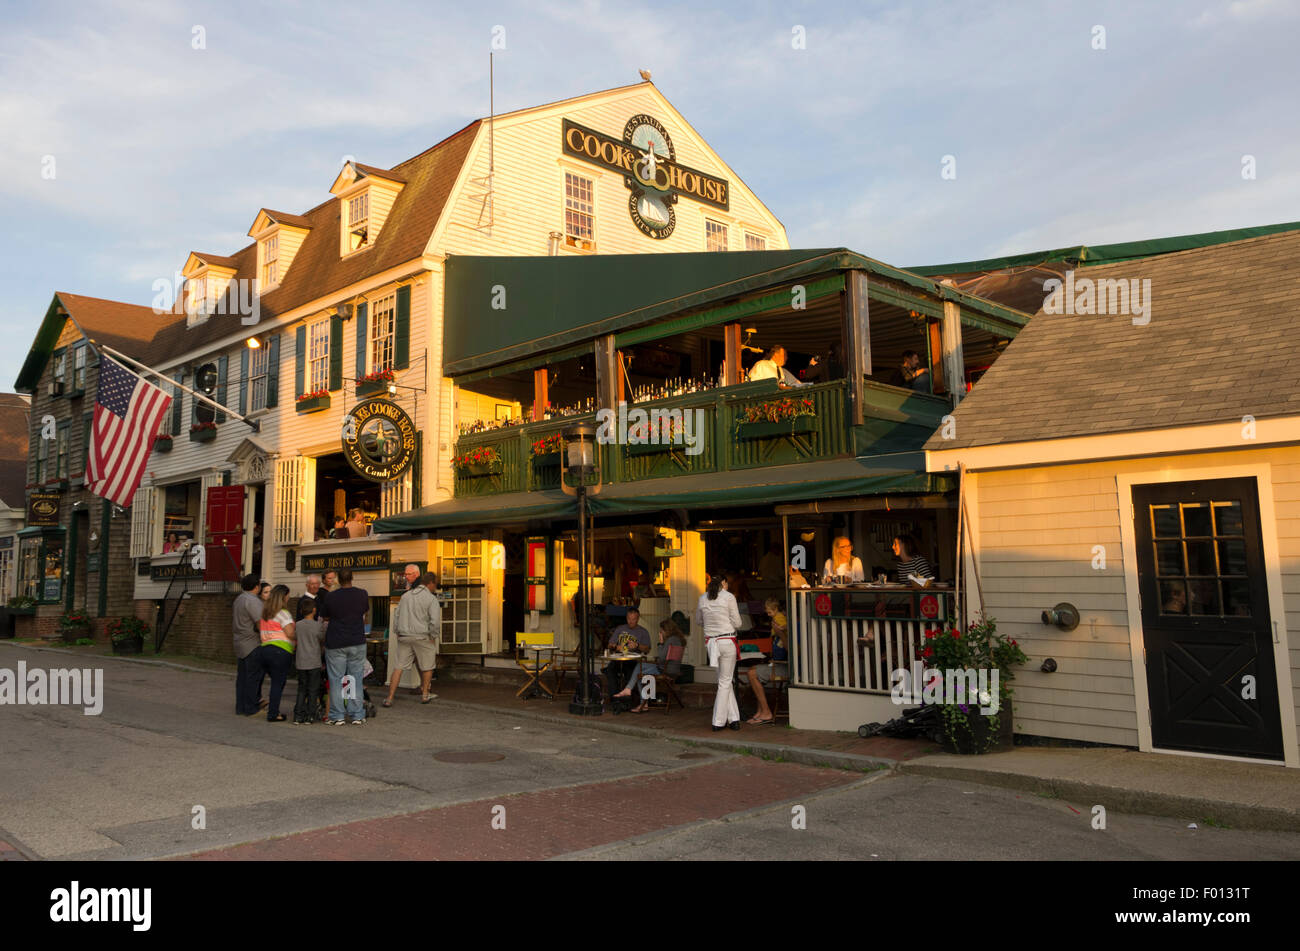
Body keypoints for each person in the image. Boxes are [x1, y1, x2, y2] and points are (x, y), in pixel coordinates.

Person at [319, 568, 369, 725]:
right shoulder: (362, 594)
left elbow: (325, 616)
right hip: (356, 640)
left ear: (338, 580)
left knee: (336, 679)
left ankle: (337, 715)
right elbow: (364, 612)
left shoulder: (331, 596)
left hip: (336, 641)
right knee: (355, 678)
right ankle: (357, 714)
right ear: (352, 578)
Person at [384, 572, 441, 707]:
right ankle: (425, 695)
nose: (435, 587)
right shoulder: (431, 599)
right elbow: (435, 621)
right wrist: (433, 636)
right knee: (427, 666)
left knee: (398, 667)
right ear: (431, 583)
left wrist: (397, 631)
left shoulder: (405, 596)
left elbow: (397, 616)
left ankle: (389, 697)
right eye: (435, 584)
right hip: (422, 636)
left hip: (404, 636)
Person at [697, 571, 743, 731]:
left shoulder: (702, 598)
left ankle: (734, 719)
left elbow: (699, 621)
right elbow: (738, 623)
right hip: (727, 640)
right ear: (723, 583)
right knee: (725, 682)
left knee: (724, 681)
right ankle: (718, 721)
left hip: (711, 642)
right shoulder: (729, 597)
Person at [613, 619, 687, 712]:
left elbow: (661, 657)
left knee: (639, 670)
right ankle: (637, 697)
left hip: (665, 670)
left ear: (666, 630)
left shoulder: (670, 640)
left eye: (661, 631)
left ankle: (638, 698)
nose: (660, 633)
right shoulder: (678, 639)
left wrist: (660, 643)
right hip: (673, 670)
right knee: (640, 671)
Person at [742, 598, 789, 725]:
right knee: (753, 669)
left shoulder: (788, 627)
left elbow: (790, 649)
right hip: (777, 662)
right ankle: (760, 711)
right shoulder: (781, 624)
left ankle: (766, 712)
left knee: (752, 674)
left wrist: (780, 632)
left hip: (786, 666)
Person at [256, 584, 296, 723]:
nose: (289, 597)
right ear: (283, 596)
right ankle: (273, 713)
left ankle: (273, 710)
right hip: (280, 651)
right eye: (288, 595)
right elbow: (290, 633)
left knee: (274, 682)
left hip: (265, 650)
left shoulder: (265, 613)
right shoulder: (283, 613)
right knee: (278, 684)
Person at [232, 574, 266, 716]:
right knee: (253, 677)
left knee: (242, 678)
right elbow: (260, 622)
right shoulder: (253, 601)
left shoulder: (238, 599)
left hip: (240, 642)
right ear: (257, 586)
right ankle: (251, 707)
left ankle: (240, 707)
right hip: (252, 642)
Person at [292, 600, 325, 723]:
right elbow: (322, 639)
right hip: (314, 662)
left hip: (301, 662)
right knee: (313, 689)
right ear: (314, 610)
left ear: (301, 611)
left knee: (301, 689)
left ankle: (298, 715)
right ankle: (310, 715)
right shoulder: (318, 626)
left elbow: (295, 637)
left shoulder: (298, 625)